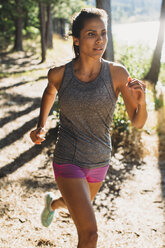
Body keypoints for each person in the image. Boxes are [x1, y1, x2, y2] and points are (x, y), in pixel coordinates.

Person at [30, 8, 147, 248]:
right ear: (76, 39)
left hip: (100, 161)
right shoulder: (60, 74)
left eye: (103, 33)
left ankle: (52, 204)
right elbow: (50, 90)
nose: (100, 40)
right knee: (90, 233)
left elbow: (138, 122)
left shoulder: (117, 73)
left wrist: (142, 103)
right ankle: (55, 204)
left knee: (74, 209)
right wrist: (40, 125)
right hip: (68, 158)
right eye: (92, 34)